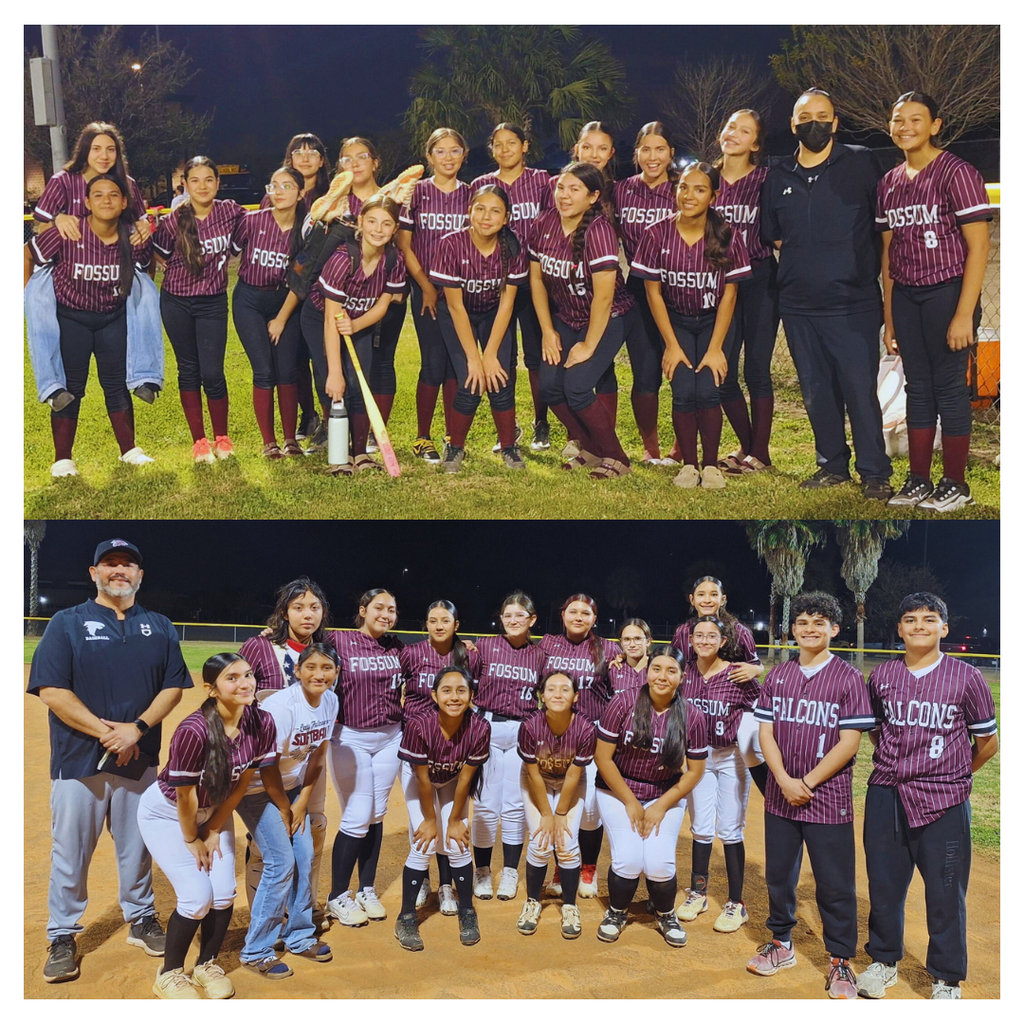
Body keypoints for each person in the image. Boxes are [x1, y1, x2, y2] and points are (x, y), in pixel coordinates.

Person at [28, 538, 189, 984]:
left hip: (139, 758)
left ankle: (140, 918)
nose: (120, 570)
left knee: (138, 847)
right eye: (110, 563)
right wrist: (109, 734)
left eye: (128, 564)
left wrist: (135, 730)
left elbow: (173, 687)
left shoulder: (158, 625)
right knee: (71, 852)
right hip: (79, 760)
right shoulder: (67, 623)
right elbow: (52, 691)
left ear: (140, 575)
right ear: (93, 572)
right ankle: (62, 934)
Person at [858, 592, 997, 1000]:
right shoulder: (881, 676)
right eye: (911, 619)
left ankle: (946, 978)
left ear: (944, 628)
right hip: (887, 793)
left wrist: (955, 776)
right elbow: (874, 729)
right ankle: (883, 960)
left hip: (944, 802)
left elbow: (987, 742)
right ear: (900, 628)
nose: (920, 625)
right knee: (884, 885)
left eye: (930, 618)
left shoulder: (967, 677)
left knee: (945, 890)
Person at [761, 87, 893, 500]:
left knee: (859, 390)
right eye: (805, 116)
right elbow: (773, 235)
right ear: (793, 124)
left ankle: (874, 471)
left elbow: (884, 228)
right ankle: (831, 464)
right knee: (816, 390)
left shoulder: (861, 162)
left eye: (823, 115)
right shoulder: (778, 175)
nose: (813, 123)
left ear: (835, 123)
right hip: (799, 305)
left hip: (853, 303)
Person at [749, 592, 875, 999]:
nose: (809, 628)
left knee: (835, 883)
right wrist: (783, 779)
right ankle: (781, 943)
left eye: (819, 622)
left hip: (828, 795)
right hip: (781, 793)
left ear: (834, 629)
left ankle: (840, 960)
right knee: (779, 875)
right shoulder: (779, 675)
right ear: (793, 629)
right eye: (803, 622)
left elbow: (850, 741)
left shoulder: (849, 677)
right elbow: (765, 732)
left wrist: (807, 782)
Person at [137, 654, 275, 999]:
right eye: (232, 678)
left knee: (224, 893)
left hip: (213, 812)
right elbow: (185, 797)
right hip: (168, 814)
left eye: (248, 675)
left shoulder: (261, 721)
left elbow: (241, 784)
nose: (245, 683)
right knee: (197, 896)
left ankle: (206, 964)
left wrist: (213, 829)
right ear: (211, 689)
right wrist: (192, 838)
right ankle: (168, 974)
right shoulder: (193, 730)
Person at [879, 92, 992, 513]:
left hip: (948, 290)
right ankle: (919, 479)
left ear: (935, 125)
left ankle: (956, 483)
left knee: (948, 389)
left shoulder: (957, 172)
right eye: (897, 120)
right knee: (918, 389)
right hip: (907, 294)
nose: (905, 127)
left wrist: (964, 313)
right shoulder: (889, 182)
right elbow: (889, 254)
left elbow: (978, 247)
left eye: (915, 119)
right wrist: (890, 316)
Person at [26, 174, 156, 476]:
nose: (106, 200)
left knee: (116, 384)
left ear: (124, 202)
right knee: (69, 388)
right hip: (72, 318)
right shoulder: (70, 230)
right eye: (97, 195)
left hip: (112, 317)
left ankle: (129, 450)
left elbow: (146, 268)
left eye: (113, 195)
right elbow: (28, 253)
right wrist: (27, 298)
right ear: (86, 202)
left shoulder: (131, 235)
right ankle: (62, 459)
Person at [632, 161, 752, 489]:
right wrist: (670, 344)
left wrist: (716, 348)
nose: (689, 195)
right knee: (684, 391)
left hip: (715, 322)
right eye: (683, 186)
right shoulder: (656, 232)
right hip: (677, 323)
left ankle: (711, 465)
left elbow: (730, 296)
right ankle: (689, 465)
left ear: (713, 195)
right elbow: (652, 292)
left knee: (709, 389)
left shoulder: (727, 234)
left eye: (699, 189)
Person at [27, 121, 156, 412]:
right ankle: (52, 386)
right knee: (38, 306)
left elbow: (139, 219)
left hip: (113, 263)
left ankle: (145, 377)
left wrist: (144, 225)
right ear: (85, 150)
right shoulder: (64, 180)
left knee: (147, 293)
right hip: (65, 265)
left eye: (110, 149)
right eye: (96, 148)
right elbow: (42, 222)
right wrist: (58, 219)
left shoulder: (127, 183)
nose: (104, 155)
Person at [529, 161, 640, 479]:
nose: (564, 195)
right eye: (561, 187)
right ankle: (592, 449)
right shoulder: (545, 222)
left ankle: (618, 458)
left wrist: (589, 345)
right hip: (567, 317)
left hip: (609, 317)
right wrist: (548, 330)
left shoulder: (599, 230)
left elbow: (604, 298)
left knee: (577, 385)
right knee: (549, 387)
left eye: (574, 189)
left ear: (592, 196)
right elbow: (536, 281)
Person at [593, 647, 708, 946]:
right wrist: (631, 802)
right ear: (647, 671)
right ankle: (617, 912)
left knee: (658, 864)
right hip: (618, 789)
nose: (662, 676)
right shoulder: (623, 702)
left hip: (664, 792)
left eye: (671, 671)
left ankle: (665, 912)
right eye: (656, 668)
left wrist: (660, 806)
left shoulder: (692, 715)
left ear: (682, 677)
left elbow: (694, 772)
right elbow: (603, 759)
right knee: (630, 860)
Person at [236, 643, 338, 977]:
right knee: (280, 861)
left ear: (335, 673)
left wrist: (302, 802)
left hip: (290, 789)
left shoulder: (331, 701)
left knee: (305, 855)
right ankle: (256, 950)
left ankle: (299, 934)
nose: (318, 674)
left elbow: (318, 755)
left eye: (327, 668)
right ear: (297, 671)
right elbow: (265, 767)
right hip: (254, 789)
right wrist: (285, 807)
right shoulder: (282, 707)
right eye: (311, 667)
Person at [238, 577, 332, 923]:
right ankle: (267, 917)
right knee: (267, 843)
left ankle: (304, 908)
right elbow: (234, 694)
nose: (307, 614)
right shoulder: (259, 648)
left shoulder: (325, 650)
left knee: (313, 830)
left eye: (314, 607)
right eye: (298, 607)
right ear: (284, 612)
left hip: (310, 760)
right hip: (268, 764)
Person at [430, 184, 529, 471]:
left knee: (499, 378)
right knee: (470, 382)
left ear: (507, 217)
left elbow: (507, 304)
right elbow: (456, 306)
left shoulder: (512, 247)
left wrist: (490, 354)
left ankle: (509, 446)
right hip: (456, 314)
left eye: (495, 210)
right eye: (480, 208)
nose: (487, 216)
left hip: (492, 314)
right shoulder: (450, 243)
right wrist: (475, 358)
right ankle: (455, 446)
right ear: (469, 211)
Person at [153, 156, 244, 463]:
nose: (202, 186)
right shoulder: (172, 220)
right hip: (176, 301)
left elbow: (245, 239)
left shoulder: (231, 212)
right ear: (185, 185)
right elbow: (159, 254)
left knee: (213, 372)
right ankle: (199, 441)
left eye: (209, 179)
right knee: (188, 370)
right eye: (195, 180)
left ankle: (222, 437)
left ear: (218, 183)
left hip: (212, 302)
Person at [394, 666, 491, 950]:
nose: (454, 696)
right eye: (446, 691)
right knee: (424, 843)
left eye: (461, 690)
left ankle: (467, 911)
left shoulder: (479, 727)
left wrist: (456, 819)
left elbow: (465, 779)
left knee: (458, 843)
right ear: (434, 695)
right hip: (419, 780)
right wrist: (429, 819)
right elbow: (422, 778)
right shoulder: (419, 725)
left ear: (471, 695)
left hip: (452, 780)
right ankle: (406, 916)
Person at [471, 123, 555, 450]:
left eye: (512, 143)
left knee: (536, 357)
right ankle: (507, 428)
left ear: (525, 146)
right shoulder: (481, 185)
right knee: (502, 356)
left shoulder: (542, 181)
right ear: (491, 149)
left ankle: (542, 422)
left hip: (535, 280)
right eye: (498, 144)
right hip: (495, 283)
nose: (505, 150)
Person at [324, 589, 404, 926]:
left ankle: (366, 889)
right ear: (363, 609)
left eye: (392, 609)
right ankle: (337, 896)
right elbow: (299, 644)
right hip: (350, 737)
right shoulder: (337, 640)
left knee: (376, 814)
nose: (386, 614)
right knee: (357, 815)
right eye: (379, 607)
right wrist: (273, 634)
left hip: (390, 736)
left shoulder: (397, 646)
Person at [679, 616, 761, 933]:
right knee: (700, 827)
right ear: (691, 640)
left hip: (730, 758)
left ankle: (736, 904)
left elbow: (765, 707)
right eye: (698, 635)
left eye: (711, 636)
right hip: (698, 758)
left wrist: (753, 742)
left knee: (729, 829)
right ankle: (698, 893)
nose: (704, 640)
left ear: (723, 641)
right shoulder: (685, 673)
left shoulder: (737, 674)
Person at [399, 601, 482, 913]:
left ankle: (447, 886)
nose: (438, 625)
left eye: (444, 620)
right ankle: (422, 879)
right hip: (417, 744)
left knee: (451, 821)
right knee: (421, 822)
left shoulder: (468, 654)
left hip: (454, 745)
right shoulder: (411, 653)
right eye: (432, 620)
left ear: (456, 624)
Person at [315, 195, 407, 473]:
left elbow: (383, 305)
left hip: (361, 321)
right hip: (321, 318)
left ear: (394, 229)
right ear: (360, 223)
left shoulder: (394, 259)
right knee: (333, 384)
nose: (378, 229)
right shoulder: (343, 258)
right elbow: (332, 319)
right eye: (372, 221)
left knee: (358, 383)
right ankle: (339, 456)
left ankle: (360, 454)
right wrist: (334, 371)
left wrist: (355, 326)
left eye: (386, 223)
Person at [713, 108, 780, 474]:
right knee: (721, 368)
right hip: (719, 283)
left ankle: (761, 453)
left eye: (744, 131)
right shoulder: (707, 179)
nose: (733, 134)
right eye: (729, 126)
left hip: (758, 278)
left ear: (755, 143)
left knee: (756, 368)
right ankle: (746, 446)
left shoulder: (766, 180)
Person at [398, 128, 471, 462]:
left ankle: (452, 435)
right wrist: (426, 286)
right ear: (429, 157)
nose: (448, 158)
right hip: (425, 290)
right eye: (440, 151)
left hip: (460, 293)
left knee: (456, 366)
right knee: (432, 364)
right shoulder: (417, 193)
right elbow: (404, 245)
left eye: (454, 151)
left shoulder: (472, 194)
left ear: (464, 154)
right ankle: (422, 437)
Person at [540, 595, 619, 897]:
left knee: (589, 811)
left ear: (594, 618)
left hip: (595, 734)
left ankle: (588, 867)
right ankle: (563, 866)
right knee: (563, 802)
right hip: (556, 735)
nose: (578, 617)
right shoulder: (547, 645)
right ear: (562, 615)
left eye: (585, 613)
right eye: (572, 611)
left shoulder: (608, 649)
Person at [472, 592, 548, 900]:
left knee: (515, 806)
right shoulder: (485, 646)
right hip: (486, 726)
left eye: (520, 615)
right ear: (501, 619)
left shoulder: (540, 655)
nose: (513, 620)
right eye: (508, 615)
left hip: (522, 730)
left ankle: (511, 871)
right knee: (486, 805)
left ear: (532, 620)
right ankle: (482, 870)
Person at [230, 166, 307, 458]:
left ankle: (290, 440)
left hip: (285, 302)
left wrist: (281, 320)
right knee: (264, 371)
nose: (279, 191)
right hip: (249, 300)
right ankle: (268, 442)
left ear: (300, 193)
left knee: (287, 370)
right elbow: (228, 250)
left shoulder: (305, 230)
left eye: (287, 186)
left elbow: (299, 280)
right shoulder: (252, 221)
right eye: (274, 185)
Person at [614, 121, 678, 464]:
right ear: (636, 153)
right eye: (646, 149)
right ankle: (650, 449)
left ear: (671, 153)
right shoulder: (622, 190)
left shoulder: (683, 189)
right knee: (645, 372)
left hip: (683, 287)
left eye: (660, 149)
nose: (652, 157)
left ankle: (681, 449)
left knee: (686, 372)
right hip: (639, 285)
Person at [516, 669, 595, 939]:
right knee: (540, 841)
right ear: (541, 695)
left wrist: (560, 813)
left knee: (566, 842)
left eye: (565, 689)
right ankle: (532, 902)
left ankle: (570, 906)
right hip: (535, 780)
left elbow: (574, 774)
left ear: (576, 696)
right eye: (551, 689)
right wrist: (546, 814)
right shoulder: (529, 726)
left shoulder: (585, 728)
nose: (558, 694)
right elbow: (534, 773)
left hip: (570, 783)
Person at [672, 576, 767, 793]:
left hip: (738, 701)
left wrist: (758, 669)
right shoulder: (683, 632)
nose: (707, 599)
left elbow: (755, 666)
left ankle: (772, 795)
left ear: (722, 599)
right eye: (701, 594)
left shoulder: (739, 631)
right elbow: (674, 664)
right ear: (692, 599)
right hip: (700, 696)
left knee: (747, 744)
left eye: (713, 594)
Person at [607, 618, 652, 695]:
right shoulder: (614, 670)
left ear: (648, 642)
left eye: (638, 639)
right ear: (621, 642)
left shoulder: (657, 670)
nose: (632, 645)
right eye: (627, 639)